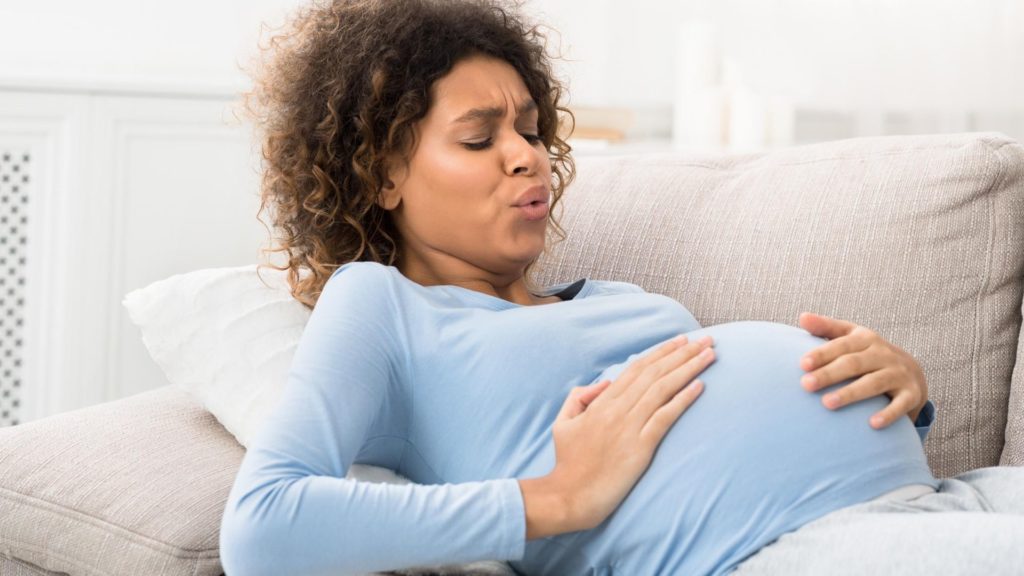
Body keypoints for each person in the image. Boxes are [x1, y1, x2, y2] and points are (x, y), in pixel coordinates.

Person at [218, 1, 1024, 574]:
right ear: (385, 172)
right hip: (782, 549)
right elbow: (263, 528)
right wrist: (553, 498)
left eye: (530, 130)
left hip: (946, 497)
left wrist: (903, 394)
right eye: (478, 137)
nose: (526, 155)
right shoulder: (382, 306)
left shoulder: (611, 298)